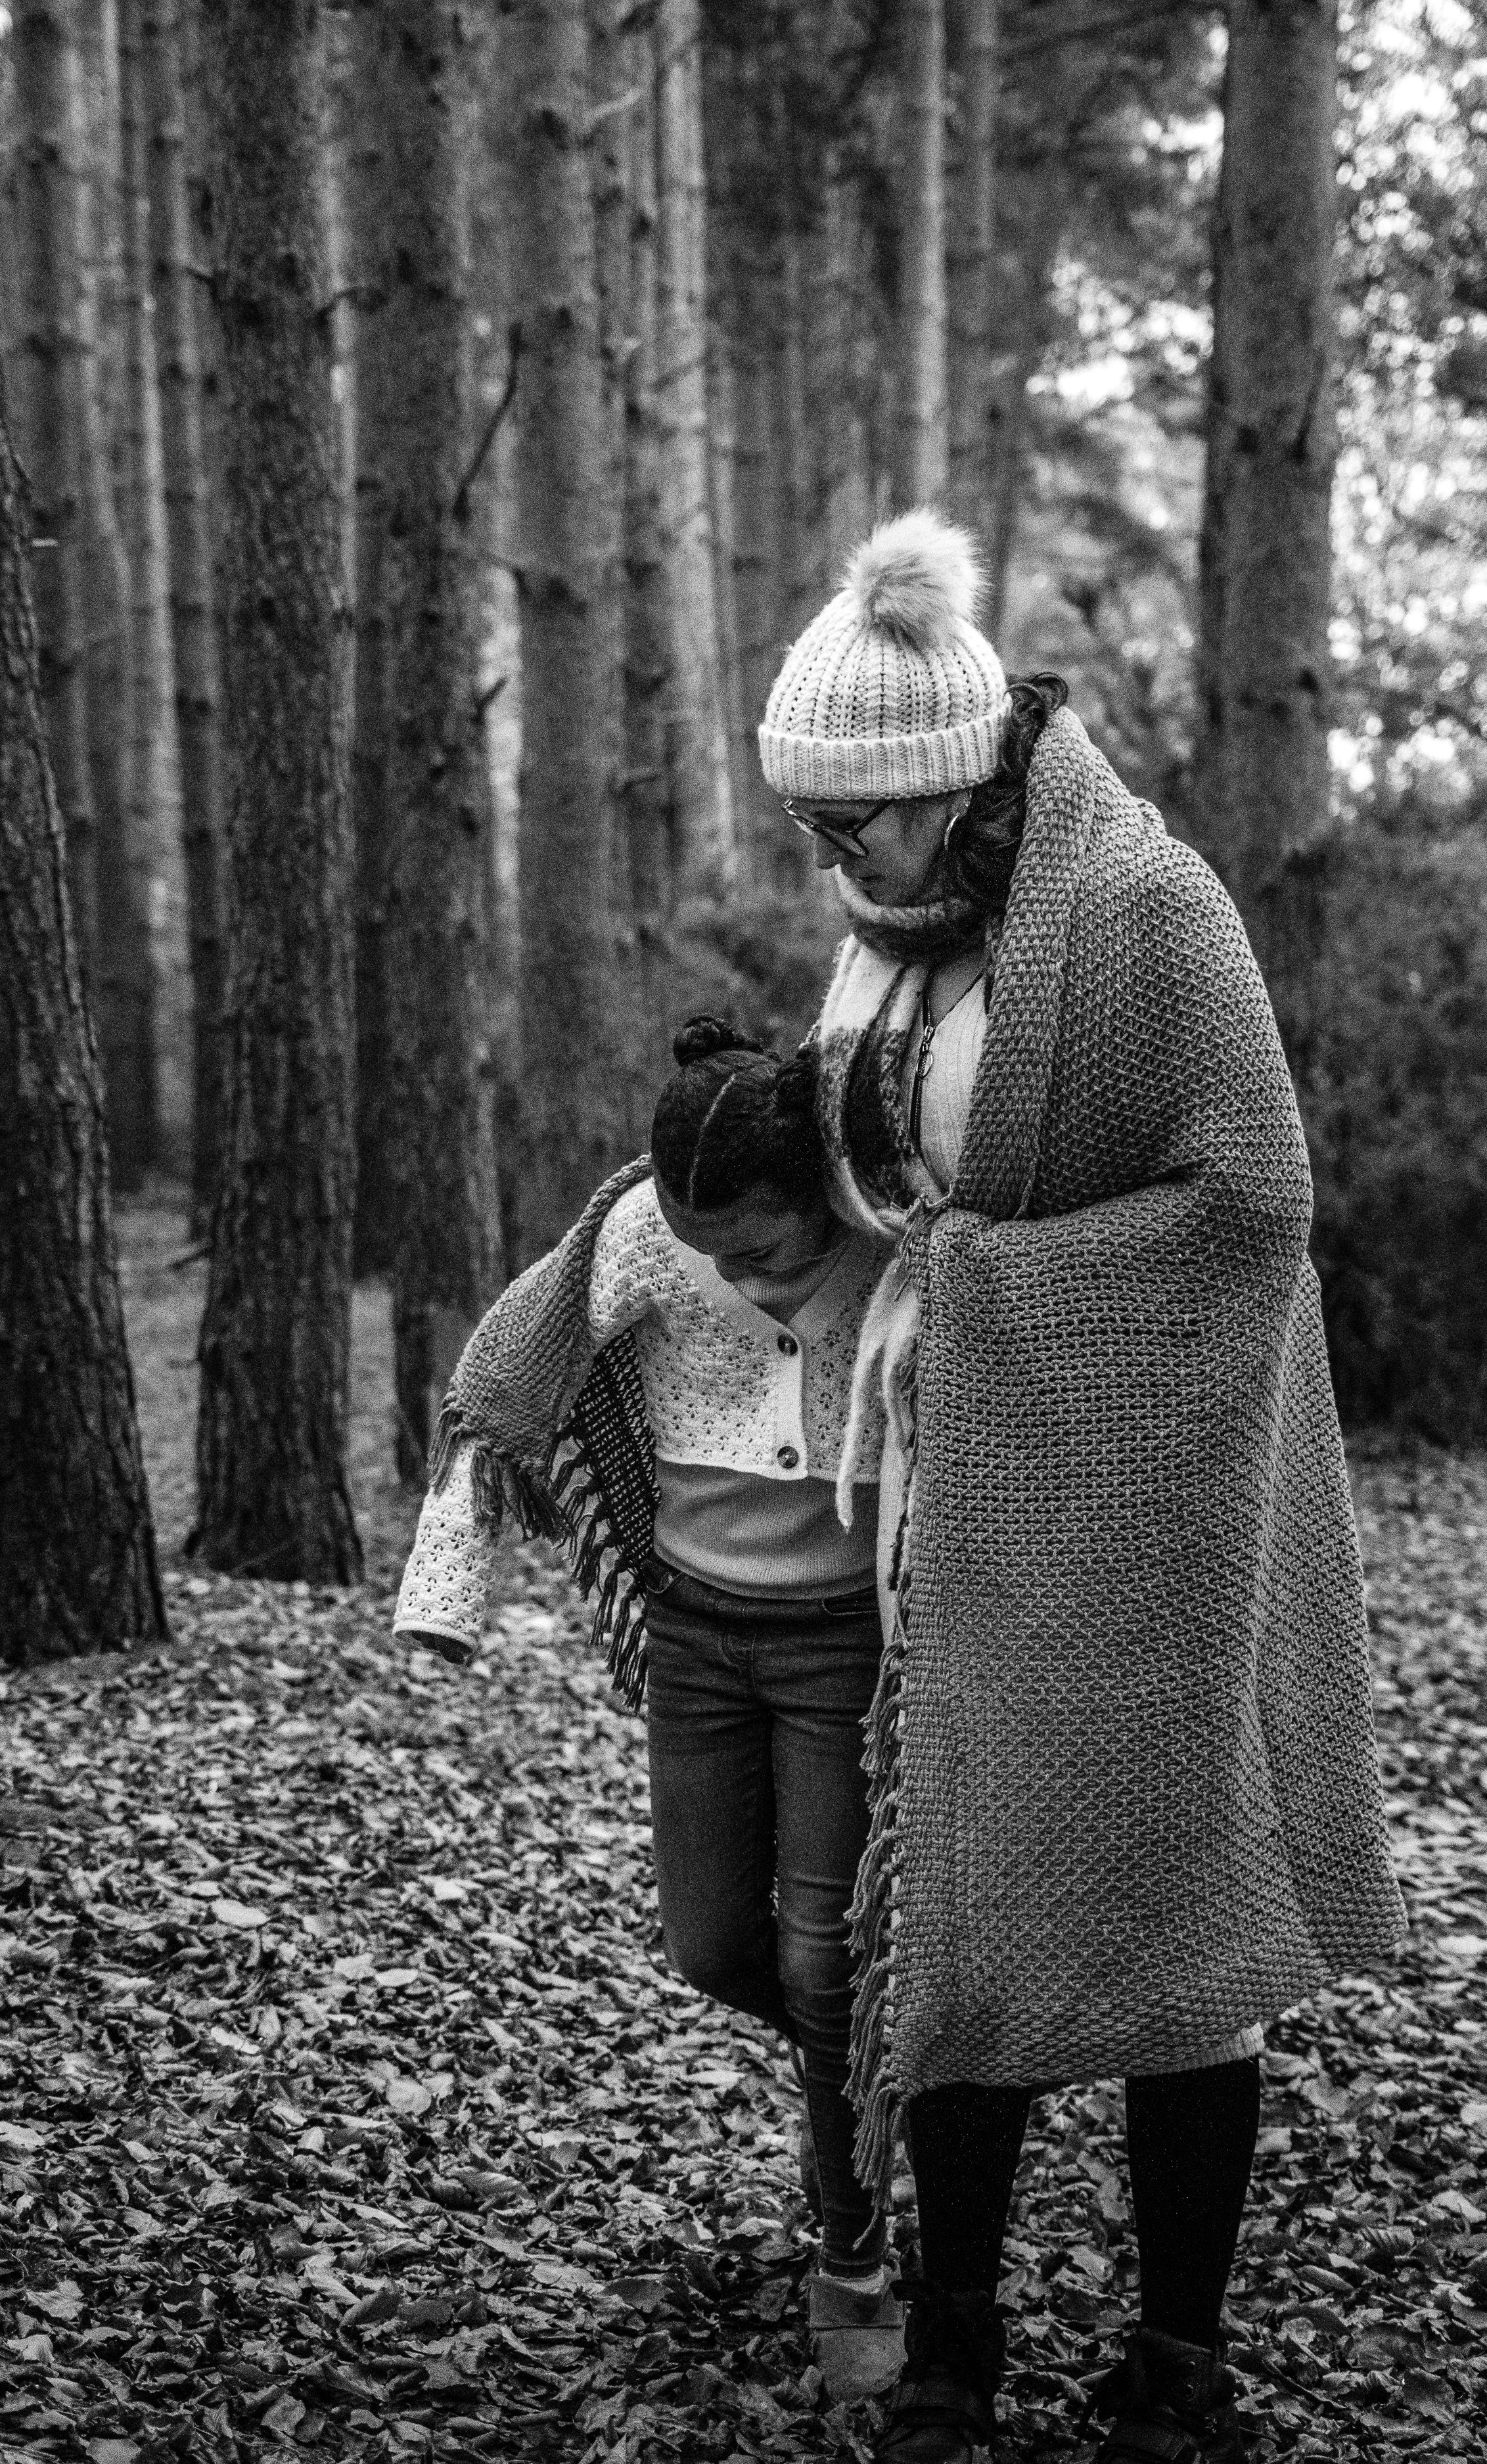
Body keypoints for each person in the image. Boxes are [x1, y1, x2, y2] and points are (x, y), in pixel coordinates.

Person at [756, 509, 1406, 2464]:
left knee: (1165, 1914)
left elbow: (1256, 1201)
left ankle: (1179, 2359)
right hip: (939, 1492)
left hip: (1139, 1478)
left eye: (846, 824)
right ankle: (954, 2337)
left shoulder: (1144, 911)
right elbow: (862, 1155)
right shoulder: (895, 923)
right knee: (961, 1892)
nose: (828, 861)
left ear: (949, 786)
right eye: (807, 828)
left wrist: (977, 1286)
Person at [393, 1020, 907, 2403]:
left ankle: (852, 2249)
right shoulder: (637, 1237)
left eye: (759, 1248)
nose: (730, 1274)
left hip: (839, 1647)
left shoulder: (888, 1242)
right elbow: (512, 1373)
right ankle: (865, 2080)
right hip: (691, 1638)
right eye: (708, 1250)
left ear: (823, 1193)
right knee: (708, 1943)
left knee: (821, 1957)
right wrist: (449, 1589)